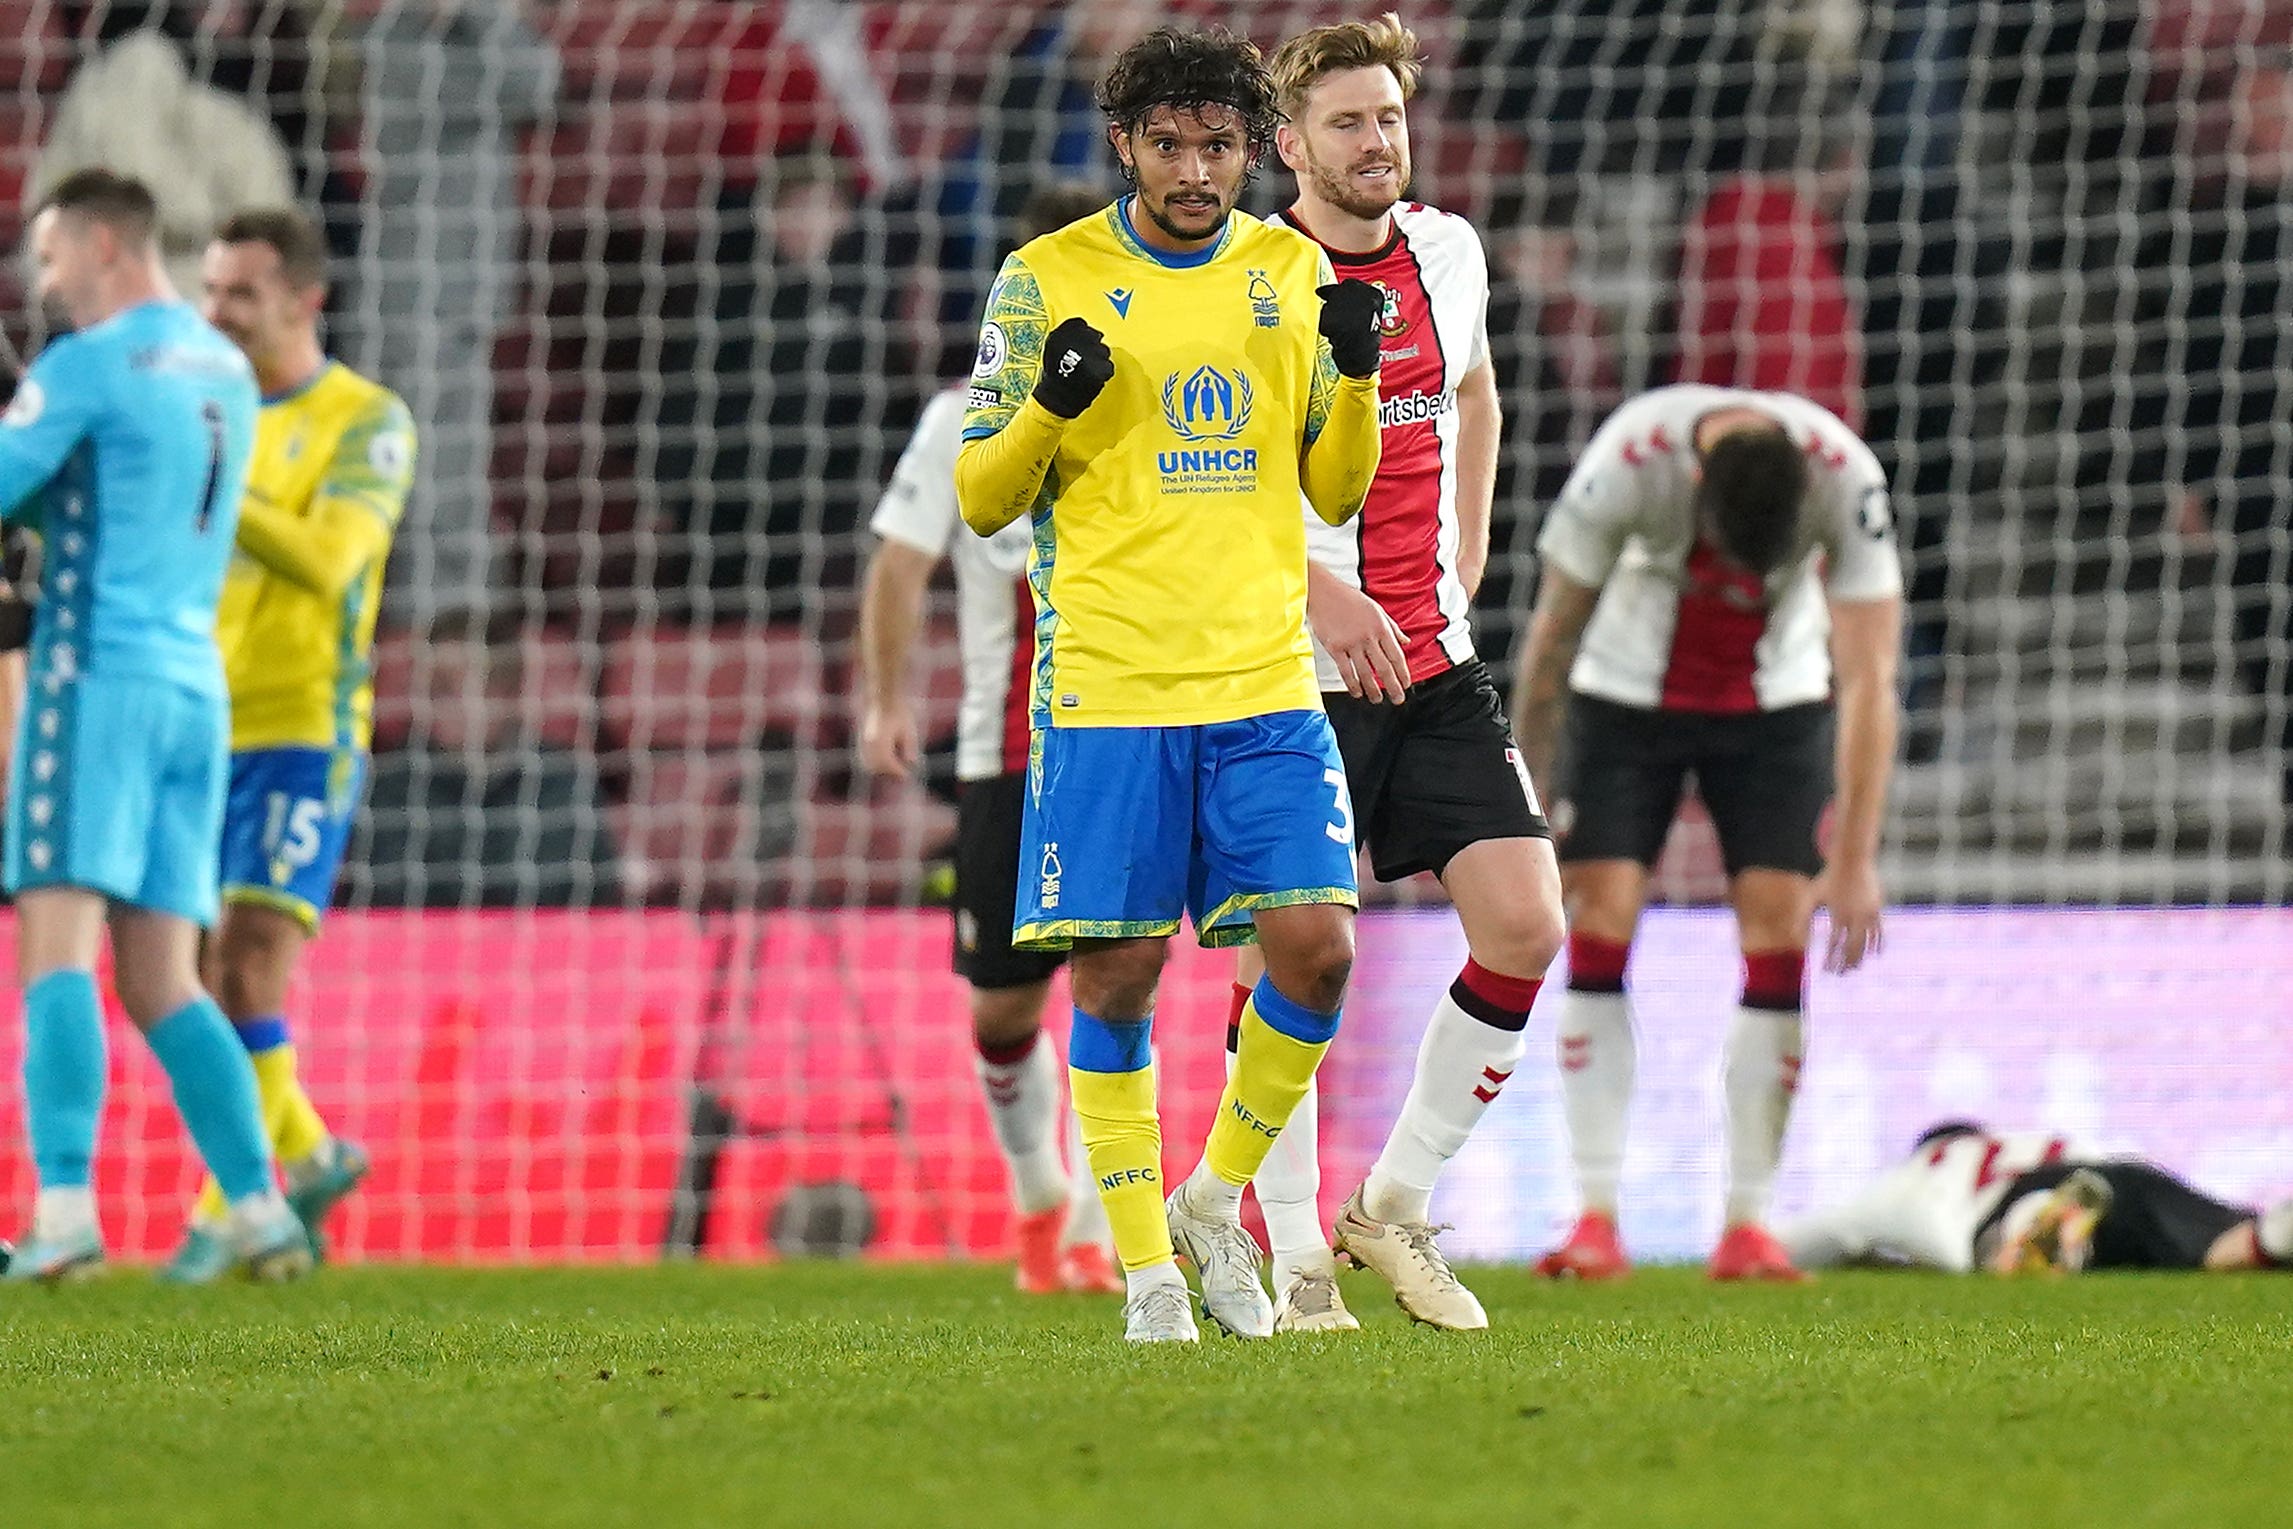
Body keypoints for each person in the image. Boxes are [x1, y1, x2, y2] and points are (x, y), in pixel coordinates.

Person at [954, 25, 1384, 1342]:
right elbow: (981, 498)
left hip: (1261, 682)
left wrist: (1355, 375)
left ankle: (1215, 1197)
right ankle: (1149, 1277)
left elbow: (1335, 489)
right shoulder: (1046, 280)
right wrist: (1048, 408)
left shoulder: (1287, 268)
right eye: (1166, 143)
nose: (1192, 169)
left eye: (1215, 145)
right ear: (1125, 144)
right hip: (1110, 690)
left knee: (1318, 952)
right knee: (1118, 980)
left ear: (1254, 151)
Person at [1210, 14, 1562, 1336]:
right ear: (1290, 147)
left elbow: (1475, 393)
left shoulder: (1447, 249)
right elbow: (1206, 490)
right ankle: (1297, 1255)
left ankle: (1391, 1209)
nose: (1378, 143)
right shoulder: (1250, 281)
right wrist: (1325, 586)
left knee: (1525, 929)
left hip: (1435, 665)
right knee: (1292, 963)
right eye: (1349, 122)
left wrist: (1466, 539)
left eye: (1390, 120)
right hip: (1285, 673)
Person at [1510, 382, 1903, 1282]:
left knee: (1778, 922)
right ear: (1691, 490)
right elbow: (1552, 638)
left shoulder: (1848, 482)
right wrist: (1523, 799)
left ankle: (1747, 1226)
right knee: (1600, 912)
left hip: (1776, 706)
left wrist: (1854, 859)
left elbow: (1871, 679)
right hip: (1622, 701)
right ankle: (1595, 1217)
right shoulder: (1626, 461)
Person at [0, 170, 307, 1282]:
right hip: (195, 689)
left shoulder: (86, 366)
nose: (43, 282)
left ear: (104, 246)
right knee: (163, 977)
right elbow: (118, 494)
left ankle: (67, 1209)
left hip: (95, 683)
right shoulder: (221, 365)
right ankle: (263, 1207)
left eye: (50, 257)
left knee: (53, 949)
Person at [857, 181, 1122, 1298]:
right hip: (1006, 754)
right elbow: (900, 561)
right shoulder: (957, 413)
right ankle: (1036, 1200)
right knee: (1006, 1004)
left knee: (1119, 979)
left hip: (1128, 739)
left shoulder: (1168, 397)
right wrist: (882, 696)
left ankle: (1109, 1240)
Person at [155, 207, 418, 1281]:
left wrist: (213, 478)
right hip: (199, 721)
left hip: (306, 727)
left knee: (251, 962)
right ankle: (307, 1153)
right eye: (209, 290)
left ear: (305, 299)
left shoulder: (368, 418)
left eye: (240, 293)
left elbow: (329, 557)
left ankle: (232, 1205)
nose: (216, 311)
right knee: (205, 974)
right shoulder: (204, 408)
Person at [1781, 1120, 2293, 1277]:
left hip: (2025, 1197)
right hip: (2124, 1174)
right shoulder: (2035, 1139)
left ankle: (2038, 1231)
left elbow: (1821, 1234)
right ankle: (2275, 1233)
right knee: (2228, 1247)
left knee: (2011, 1231)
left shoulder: (1925, 1168)